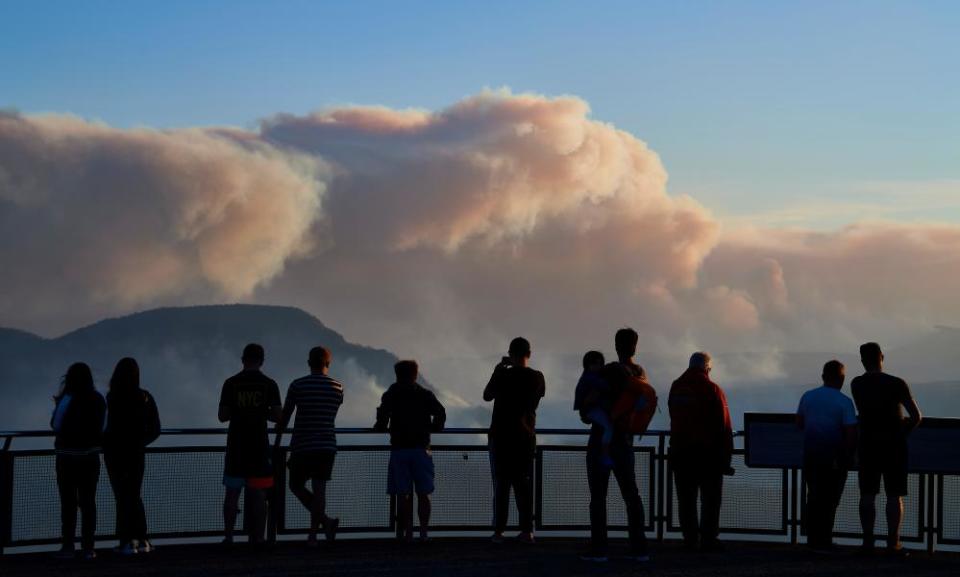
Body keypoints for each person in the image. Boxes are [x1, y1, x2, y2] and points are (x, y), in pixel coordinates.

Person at [580, 328, 650, 563]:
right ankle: (639, 549)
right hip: (625, 442)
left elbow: (585, 411)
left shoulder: (609, 371)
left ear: (616, 346)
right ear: (635, 346)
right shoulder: (640, 374)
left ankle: (599, 550)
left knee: (598, 497)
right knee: (631, 495)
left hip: (601, 440)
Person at [851, 342, 922, 555]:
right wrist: (902, 433)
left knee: (867, 494)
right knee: (894, 495)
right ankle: (893, 542)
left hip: (867, 444)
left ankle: (867, 542)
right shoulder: (898, 383)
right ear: (882, 357)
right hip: (894, 445)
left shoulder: (857, 384)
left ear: (863, 361)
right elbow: (917, 417)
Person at [274, 346, 343, 546]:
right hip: (327, 445)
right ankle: (316, 533)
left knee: (295, 486)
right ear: (328, 364)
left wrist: (278, 445)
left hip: (302, 446)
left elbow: (285, 417)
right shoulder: (338, 387)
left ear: (308, 363)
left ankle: (325, 524)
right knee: (320, 489)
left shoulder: (297, 386)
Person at [668, 351, 733, 553]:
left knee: (686, 499)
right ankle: (708, 539)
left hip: (680, 452)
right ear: (707, 368)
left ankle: (689, 539)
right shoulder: (712, 389)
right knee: (710, 499)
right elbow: (725, 426)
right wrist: (726, 457)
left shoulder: (676, 387)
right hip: (707, 455)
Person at [374, 360, 446, 542]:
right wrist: (434, 427)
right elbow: (440, 412)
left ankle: (406, 534)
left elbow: (382, 417)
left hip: (399, 449)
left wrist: (380, 426)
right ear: (415, 375)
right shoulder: (424, 394)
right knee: (423, 493)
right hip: (422, 449)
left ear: (397, 374)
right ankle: (423, 532)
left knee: (402, 494)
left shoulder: (391, 394)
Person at [483, 337, 546, 544]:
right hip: (525, 437)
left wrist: (499, 369)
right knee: (523, 484)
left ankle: (499, 532)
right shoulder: (538, 378)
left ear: (510, 353)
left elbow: (487, 395)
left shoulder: (503, 375)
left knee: (501, 484)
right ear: (529, 353)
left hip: (501, 436)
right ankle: (527, 531)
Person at [218, 343, 282, 545]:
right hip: (259, 446)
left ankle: (229, 537)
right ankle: (259, 538)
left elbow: (222, 416)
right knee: (259, 494)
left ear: (243, 359)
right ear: (262, 361)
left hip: (236, 446)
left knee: (232, 494)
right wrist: (263, 413)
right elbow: (278, 416)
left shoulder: (231, 383)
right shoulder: (269, 384)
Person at [796, 360, 857, 553]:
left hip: (811, 455)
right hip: (834, 459)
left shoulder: (808, 396)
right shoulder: (845, 402)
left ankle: (812, 539)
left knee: (813, 496)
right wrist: (847, 456)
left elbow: (799, 423)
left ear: (823, 377)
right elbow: (850, 433)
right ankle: (825, 539)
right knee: (830, 499)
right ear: (842, 379)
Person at [103, 357, 161, 556]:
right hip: (136, 455)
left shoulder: (111, 398)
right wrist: (139, 443)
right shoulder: (145, 397)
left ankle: (126, 541)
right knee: (134, 495)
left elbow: (105, 428)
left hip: (114, 454)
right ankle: (142, 539)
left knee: (122, 497)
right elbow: (156, 429)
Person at [51, 362, 107, 560]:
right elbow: (103, 426)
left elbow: (55, 424)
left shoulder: (67, 399)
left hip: (66, 458)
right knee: (88, 502)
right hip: (90, 458)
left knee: (68, 503)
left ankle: (67, 546)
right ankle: (88, 547)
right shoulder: (98, 399)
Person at [573, 351, 615, 467]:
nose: (599, 366)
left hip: (590, 410)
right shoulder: (591, 378)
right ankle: (605, 454)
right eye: (596, 364)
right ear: (588, 365)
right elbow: (605, 387)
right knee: (608, 427)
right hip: (591, 410)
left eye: (600, 364)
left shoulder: (587, 377)